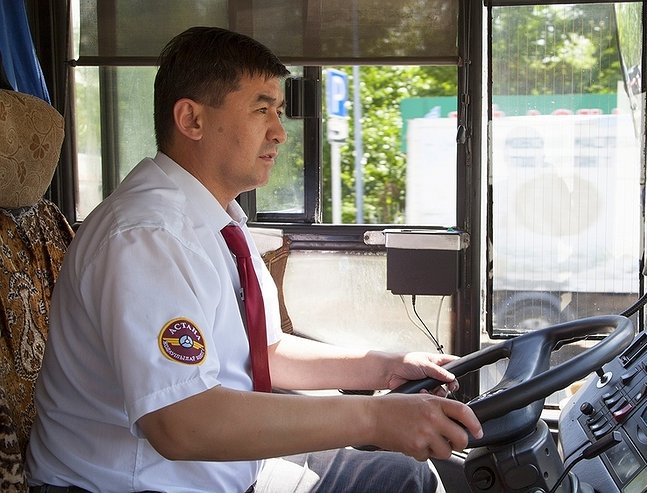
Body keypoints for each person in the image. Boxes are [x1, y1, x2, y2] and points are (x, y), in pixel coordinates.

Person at [26, 26, 482, 493]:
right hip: (138, 484)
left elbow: (263, 353)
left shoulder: (218, 220)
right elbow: (184, 424)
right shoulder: (147, 237)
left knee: (406, 479)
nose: (280, 132)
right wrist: (372, 417)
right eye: (261, 109)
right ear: (192, 120)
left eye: (279, 112)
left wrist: (385, 368)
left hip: (230, 469)